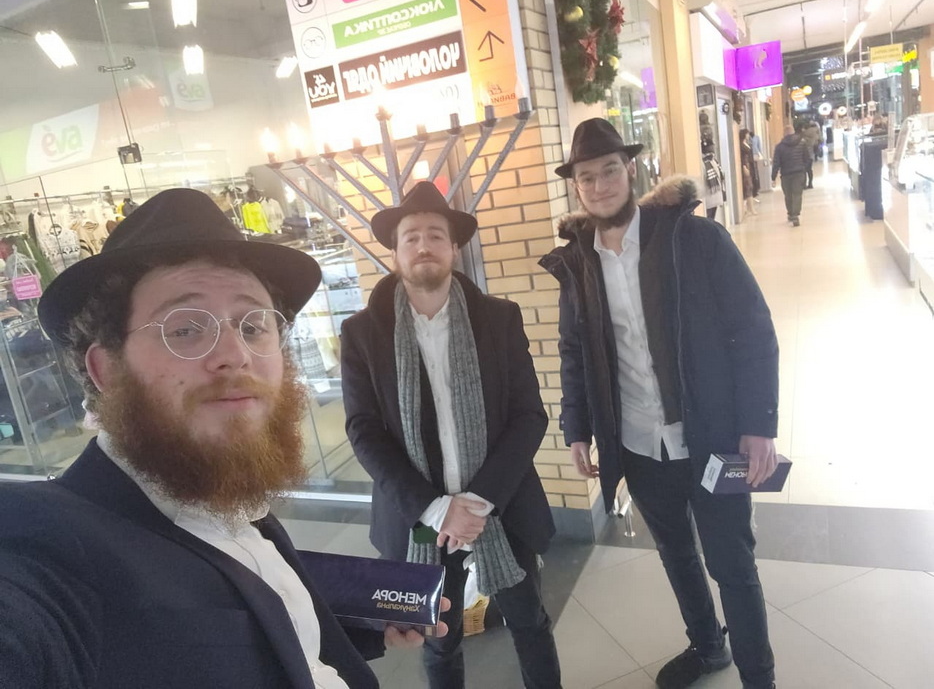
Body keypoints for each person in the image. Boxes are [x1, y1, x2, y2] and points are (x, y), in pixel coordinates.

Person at [0, 188, 445, 688]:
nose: (235, 355)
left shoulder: (224, 493)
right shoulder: (47, 552)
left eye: (254, 326)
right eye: (185, 329)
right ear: (106, 369)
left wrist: (359, 621)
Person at [540, 118, 778, 689]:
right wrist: (578, 428)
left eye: (609, 171)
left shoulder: (693, 239)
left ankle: (760, 680)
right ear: (576, 186)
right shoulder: (577, 265)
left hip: (712, 435)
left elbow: (753, 328)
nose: (600, 185)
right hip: (639, 444)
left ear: (631, 170)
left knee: (732, 564)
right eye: (586, 177)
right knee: (675, 553)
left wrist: (758, 425)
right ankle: (709, 647)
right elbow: (574, 351)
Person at [341, 181, 562, 689]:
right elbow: (363, 431)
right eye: (411, 236)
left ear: (454, 248)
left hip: (500, 509)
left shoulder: (499, 319)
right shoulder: (363, 333)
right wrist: (438, 510)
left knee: (529, 621)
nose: (424, 245)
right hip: (420, 521)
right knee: (439, 640)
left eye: (436, 235)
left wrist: (478, 503)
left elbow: (529, 415)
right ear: (395, 252)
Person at [771, 124, 812, 226]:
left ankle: (790, 213)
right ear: (793, 132)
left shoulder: (779, 147)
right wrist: (804, 168)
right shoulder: (802, 143)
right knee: (797, 194)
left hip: (786, 174)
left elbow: (776, 163)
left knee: (788, 195)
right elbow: (807, 158)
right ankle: (795, 215)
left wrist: (773, 177)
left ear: (784, 134)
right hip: (799, 173)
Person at [739, 129, 758, 217]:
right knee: (748, 187)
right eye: (747, 134)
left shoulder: (747, 144)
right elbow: (742, 157)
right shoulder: (741, 145)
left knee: (750, 186)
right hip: (746, 166)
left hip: (750, 166)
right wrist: (744, 167)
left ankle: (748, 208)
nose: (748, 136)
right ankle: (751, 208)